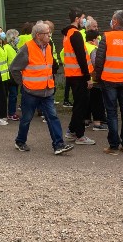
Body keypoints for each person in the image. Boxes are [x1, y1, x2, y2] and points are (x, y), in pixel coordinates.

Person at [9, 21, 74, 155]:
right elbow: (14, 68)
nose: (50, 35)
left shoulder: (48, 46)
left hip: (47, 90)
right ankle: (20, 141)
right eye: (47, 33)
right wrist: (23, 83)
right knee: (26, 119)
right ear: (38, 35)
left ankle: (58, 145)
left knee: (53, 117)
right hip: (31, 91)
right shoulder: (27, 48)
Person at [94, 10, 123, 155]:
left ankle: (114, 146)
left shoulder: (107, 36)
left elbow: (99, 60)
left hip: (109, 79)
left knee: (111, 113)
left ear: (115, 22)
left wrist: (97, 78)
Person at [62, 9, 95, 145]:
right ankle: (80, 135)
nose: (84, 20)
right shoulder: (75, 34)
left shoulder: (68, 33)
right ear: (77, 19)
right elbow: (81, 57)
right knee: (81, 105)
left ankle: (71, 130)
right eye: (83, 18)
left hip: (72, 74)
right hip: (79, 75)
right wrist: (88, 77)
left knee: (78, 104)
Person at [85, 29, 107, 131]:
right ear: (94, 40)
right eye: (98, 38)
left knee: (88, 101)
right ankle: (97, 123)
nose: (99, 40)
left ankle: (86, 120)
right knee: (97, 101)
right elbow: (96, 63)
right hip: (94, 79)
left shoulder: (83, 46)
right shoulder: (94, 49)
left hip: (84, 78)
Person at [4, 29, 20, 121]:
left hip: (14, 74)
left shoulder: (15, 48)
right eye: (16, 36)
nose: (18, 38)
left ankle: (11, 112)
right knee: (11, 94)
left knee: (13, 95)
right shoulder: (7, 47)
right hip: (9, 74)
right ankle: (10, 113)